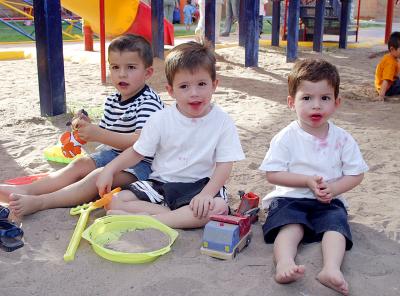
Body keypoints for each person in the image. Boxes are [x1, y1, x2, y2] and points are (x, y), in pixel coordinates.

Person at [0, 34, 164, 218]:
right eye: (115, 67)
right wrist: (88, 128)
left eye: (131, 67)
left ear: (147, 73)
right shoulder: (112, 100)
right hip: (114, 155)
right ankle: (28, 190)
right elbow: (108, 134)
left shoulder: (148, 102)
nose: (122, 74)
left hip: (141, 165)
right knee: (80, 164)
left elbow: (140, 143)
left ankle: (42, 201)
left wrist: (99, 134)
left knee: (96, 177)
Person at [96, 40, 245, 229]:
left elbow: (225, 165)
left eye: (201, 84)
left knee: (218, 207)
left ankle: (148, 220)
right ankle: (173, 217)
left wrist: (207, 194)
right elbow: (137, 152)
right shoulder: (160, 119)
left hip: (200, 187)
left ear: (214, 85)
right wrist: (109, 170)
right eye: (184, 86)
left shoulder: (222, 121)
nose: (194, 93)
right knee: (115, 200)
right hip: (161, 184)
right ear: (170, 90)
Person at [259, 59, 368, 295]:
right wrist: (306, 181)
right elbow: (273, 174)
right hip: (291, 198)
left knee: (336, 227)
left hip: (327, 201)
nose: (316, 106)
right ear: (291, 102)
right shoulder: (286, 137)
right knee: (290, 225)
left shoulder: (342, 139)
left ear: (336, 103)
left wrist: (335, 188)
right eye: (306, 98)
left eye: (325, 98)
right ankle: (285, 262)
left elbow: (355, 173)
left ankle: (331, 269)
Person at [374, 31, 400, 101]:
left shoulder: (392, 57)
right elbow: (386, 80)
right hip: (387, 88)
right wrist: (381, 96)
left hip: (390, 83)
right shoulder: (390, 63)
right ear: (392, 49)